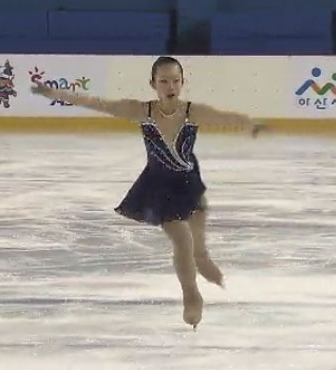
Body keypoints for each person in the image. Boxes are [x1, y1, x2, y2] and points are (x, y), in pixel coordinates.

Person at [31, 56, 263, 329]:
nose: (170, 86)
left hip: (188, 182)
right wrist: (55, 93)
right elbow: (98, 104)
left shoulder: (192, 112)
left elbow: (225, 117)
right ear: (153, 83)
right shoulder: (142, 111)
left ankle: (203, 261)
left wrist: (250, 124)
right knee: (182, 241)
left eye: (176, 80)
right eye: (164, 81)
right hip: (158, 186)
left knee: (197, 244)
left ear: (183, 83)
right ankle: (191, 293)